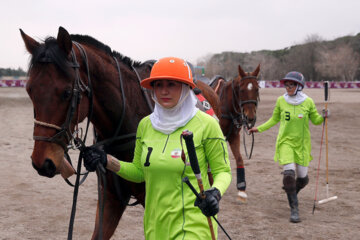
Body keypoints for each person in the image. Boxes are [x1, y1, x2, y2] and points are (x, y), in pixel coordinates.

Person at [83, 57, 232, 239]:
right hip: (155, 228)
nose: (164, 91)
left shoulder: (207, 124)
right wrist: (106, 160)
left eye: (171, 84)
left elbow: (223, 171)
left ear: (185, 88)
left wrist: (215, 193)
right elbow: (138, 172)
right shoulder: (145, 125)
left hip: (194, 227)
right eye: (158, 85)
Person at [249, 71, 329, 223]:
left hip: (302, 145)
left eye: (291, 84)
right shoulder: (281, 101)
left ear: (299, 86)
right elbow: (274, 119)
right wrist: (258, 128)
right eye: (286, 84)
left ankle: (291, 190)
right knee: (289, 174)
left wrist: (324, 117)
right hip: (285, 142)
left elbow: (316, 120)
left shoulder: (308, 102)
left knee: (303, 179)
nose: (288, 87)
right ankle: (294, 209)